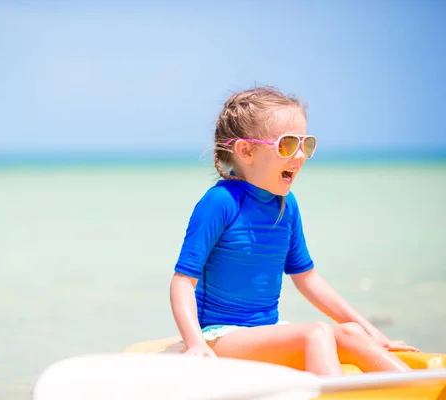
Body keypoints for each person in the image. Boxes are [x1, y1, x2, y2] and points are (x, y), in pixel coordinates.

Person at [169, 86, 418, 376]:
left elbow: (307, 278)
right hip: (220, 336)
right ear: (246, 151)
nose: (300, 157)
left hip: (265, 332)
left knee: (351, 333)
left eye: (306, 144)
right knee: (316, 333)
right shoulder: (220, 202)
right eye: (287, 145)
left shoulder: (285, 206)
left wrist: (372, 332)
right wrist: (196, 343)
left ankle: (417, 386)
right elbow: (182, 281)